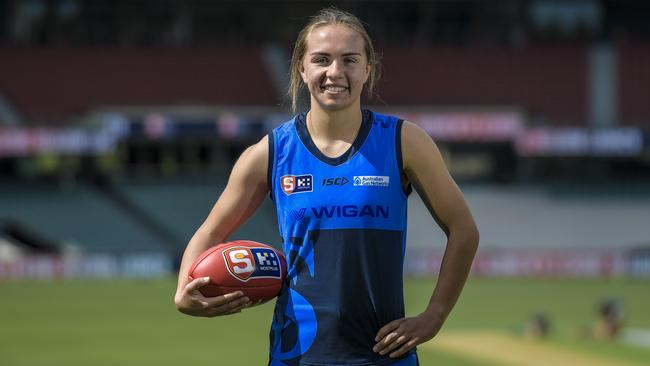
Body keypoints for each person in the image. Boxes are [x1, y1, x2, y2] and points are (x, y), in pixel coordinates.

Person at [174, 7, 479, 366]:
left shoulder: (404, 141)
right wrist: (184, 291)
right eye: (321, 59)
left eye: (350, 60)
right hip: (298, 354)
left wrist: (434, 316)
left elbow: (463, 230)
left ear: (368, 69)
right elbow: (211, 231)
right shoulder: (270, 153)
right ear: (302, 68)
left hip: (385, 353)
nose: (335, 72)